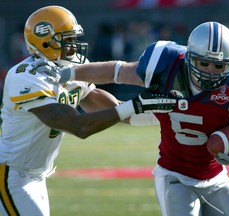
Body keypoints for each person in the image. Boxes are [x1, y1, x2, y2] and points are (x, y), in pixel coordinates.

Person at [39, 21, 229, 216]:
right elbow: (117, 72)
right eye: (203, 63)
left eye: (218, 65)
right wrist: (69, 73)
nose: (209, 71)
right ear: (188, 57)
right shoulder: (166, 65)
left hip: (216, 178)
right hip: (175, 177)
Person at [0, 6, 176, 216]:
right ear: (44, 41)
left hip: (36, 174)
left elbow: (106, 106)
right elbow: (79, 126)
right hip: (10, 174)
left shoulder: (70, 67)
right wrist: (136, 104)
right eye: (67, 39)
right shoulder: (25, 75)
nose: (74, 45)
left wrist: (155, 114)